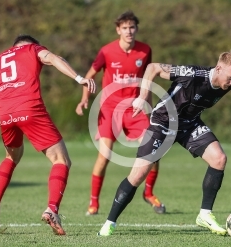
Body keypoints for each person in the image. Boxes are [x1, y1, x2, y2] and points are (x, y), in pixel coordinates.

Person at [97, 47, 231, 236]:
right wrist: (142, 97)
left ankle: (205, 214)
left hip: (189, 125)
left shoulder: (225, 85)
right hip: (163, 122)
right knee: (138, 174)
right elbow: (152, 68)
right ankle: (110, 222)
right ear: (218, 68)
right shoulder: (193, 74)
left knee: (219, 159)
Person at [0, 34, 96, 235]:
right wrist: (79, 78)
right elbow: (54, 59)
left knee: (11, 157)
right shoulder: (32, 49)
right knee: (61, 160)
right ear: (30, 45)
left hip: (5, 115)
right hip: (29, 109)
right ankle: (52, 209)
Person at [76, 10, 165, 216]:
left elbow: (147, 81)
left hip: (134, 109)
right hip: (109, 109)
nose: (129, 31)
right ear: (118, 30)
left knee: (154, 150)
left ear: (136, 29)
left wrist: (149, 108)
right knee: (104, 156)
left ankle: (149, 193)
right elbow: (89, 76)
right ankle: (94, 203)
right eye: (124, 28)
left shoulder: (145, 51)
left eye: (132, 27)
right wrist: (84, 99)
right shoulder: (106, 51)